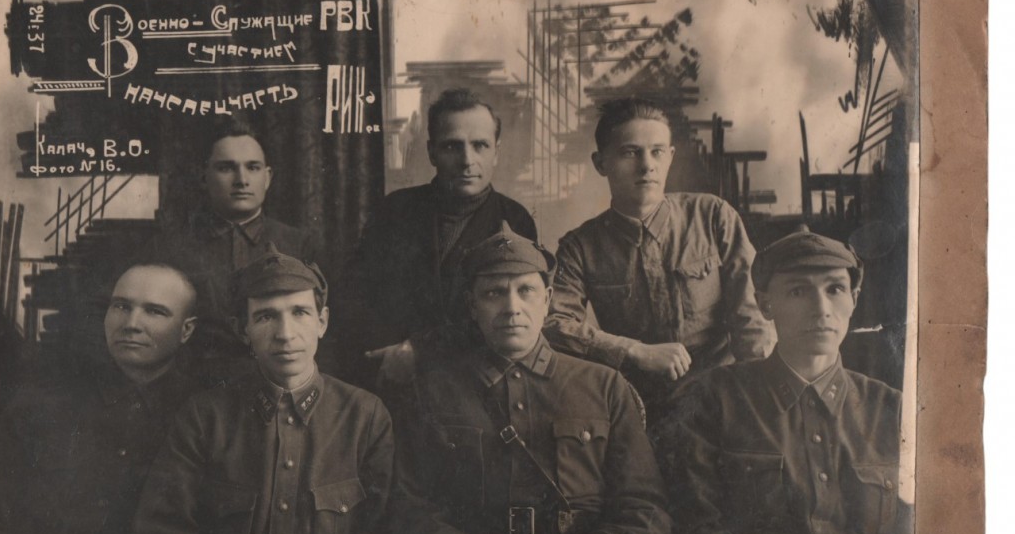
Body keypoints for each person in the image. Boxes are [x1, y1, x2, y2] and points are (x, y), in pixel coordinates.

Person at [386, 223, 672, 534]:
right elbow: (408, 509)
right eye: (493, 294)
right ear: (472, 305)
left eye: (525, 291)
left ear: (548, 298)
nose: (511, 307)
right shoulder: (431, 392)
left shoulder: (604, 387)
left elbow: (645, 512)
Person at [658, 230, 913, 534]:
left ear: (854, 298)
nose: (821, 309)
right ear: (765, 304)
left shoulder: (894, 412)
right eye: (798, 291)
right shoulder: (712, 401)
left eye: (835, 289)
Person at [132, 247, 394, 534]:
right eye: (266, 316)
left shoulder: (365, 416)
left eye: (300, 313)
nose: (285, 333)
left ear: (323, 322)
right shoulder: (205, 417)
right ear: (243, 331)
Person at [0, 263, 199, 534]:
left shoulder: (204, 420)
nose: (131, 323)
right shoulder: (40, 405)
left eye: (155, 311)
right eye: (121, 307)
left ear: (187, 330)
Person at [545, 99, 772, 422]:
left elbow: (753, 319)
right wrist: (635, 351)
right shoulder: (581, 247)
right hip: (637, 408)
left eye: (657, 151)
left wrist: (758, 398)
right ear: (600, 163)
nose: (646, 165)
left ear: (670, 158)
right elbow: (554, 324)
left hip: (724, 399)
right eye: (630, 152)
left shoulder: (713, 217)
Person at [342, 88, 537, 385]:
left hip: (477, 379)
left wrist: (422, 350)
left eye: (480, 146)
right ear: (432, 152)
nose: (467, 160)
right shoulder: (394, 210)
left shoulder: (514, 219)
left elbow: (512, 318)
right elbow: (358, 297)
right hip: (393, 375)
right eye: (452, 147)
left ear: (496, 152)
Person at [157, 115, 318, 378]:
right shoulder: (172, 248)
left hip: (280, 383)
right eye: (226, 168)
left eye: (253, 167)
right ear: (203, 176)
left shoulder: (300, 245)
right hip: (196, 386)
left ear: (267, 178)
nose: (241, 179)